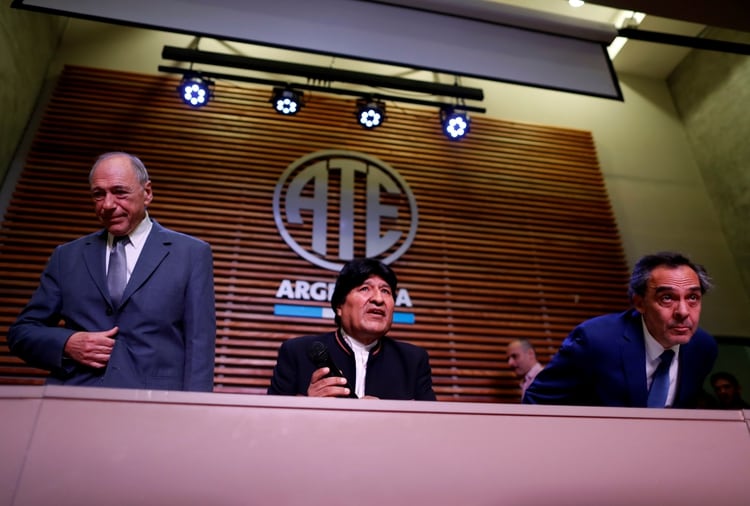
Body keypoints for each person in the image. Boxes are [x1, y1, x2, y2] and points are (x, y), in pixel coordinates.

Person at [8, 152, 216, 391]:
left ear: (147, 193)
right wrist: (67, 343)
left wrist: (194, 414)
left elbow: (200, 346)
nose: (107, 204)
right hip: (74, 402)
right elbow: (21, 333)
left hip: (154, 407)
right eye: (98, 194)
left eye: (119, 192)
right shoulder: (66, 257)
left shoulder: (191, 254)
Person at [523, 251, 717, 408]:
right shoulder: (595, 341)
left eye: (692, 298)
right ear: (639, 303)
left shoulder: (703, 348)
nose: (683, 312)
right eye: (667, 298)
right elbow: (536, 401)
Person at [268, 258, 436, 400]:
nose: (378, 299)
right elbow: (270, 423)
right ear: (339, 306)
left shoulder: (413, 360)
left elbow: (432, 427)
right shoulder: (297, 352)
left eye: (385, 291)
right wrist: (309, 407)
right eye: (365, 288)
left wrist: (387, 415)